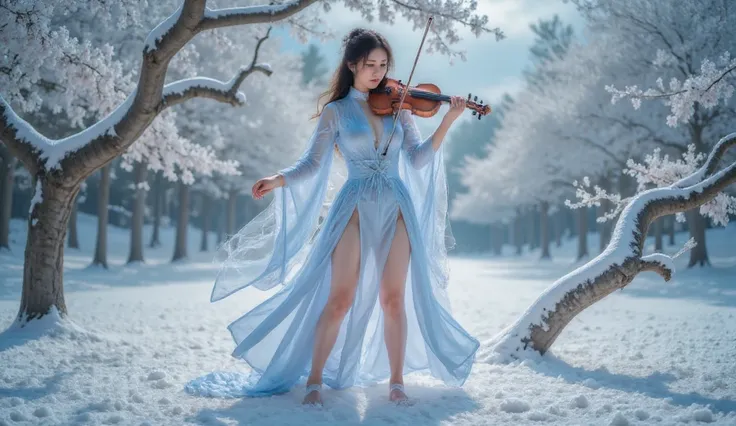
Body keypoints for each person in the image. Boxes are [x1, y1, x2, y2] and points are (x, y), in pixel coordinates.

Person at [199, 28, 479, 406]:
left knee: (393, 298)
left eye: (383, 65)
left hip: (397, 206)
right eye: (370, 65)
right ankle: (314, 380)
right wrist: (277, 179)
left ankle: (397, 382)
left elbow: (417, 159)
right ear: (351, 65)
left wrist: (448, 120)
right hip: (353, 207)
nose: (378, 72)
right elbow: (312, 163)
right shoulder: (337, 111)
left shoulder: (402, 110)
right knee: (340, 297)